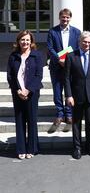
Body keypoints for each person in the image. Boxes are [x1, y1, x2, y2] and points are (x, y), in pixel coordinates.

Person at [64, 31, 90, 160]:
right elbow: (66, 78)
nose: (86, 44)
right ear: (79, 42)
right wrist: (68, 95)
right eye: (84, 42)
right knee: (76, 123)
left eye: (89, 42)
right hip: (76, 96)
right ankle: (77, 148)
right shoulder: (70, 56)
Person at [7, 30, 43, 160]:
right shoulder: (13, 56)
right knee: (20, 120)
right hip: (17, 93)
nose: (25, 42)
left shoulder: (37, 55)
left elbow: (38, 76)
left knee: (32, 120)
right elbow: (10, 76)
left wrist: (28, 90)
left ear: (31, 41)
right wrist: (17, 90)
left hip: (32, 93)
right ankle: (21, 149)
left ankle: (32, 148)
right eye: (22, 39)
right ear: (18, 41)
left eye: (27, 40)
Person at [46, 8, 81, 133]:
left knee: (69, 91)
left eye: (67, 17)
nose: (65, 20)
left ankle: (69, 114)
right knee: (57, 91)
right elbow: (50, 48)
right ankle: (60, 114)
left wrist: (69, 62)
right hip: (56, 66)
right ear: (59, 18)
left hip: (70, 67)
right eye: (63, 17)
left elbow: (78, 48)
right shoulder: (52, 31)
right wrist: (59, 60)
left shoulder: (77, 32)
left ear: (70, 18)